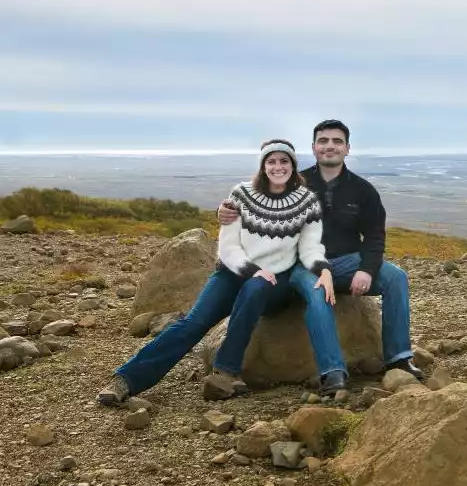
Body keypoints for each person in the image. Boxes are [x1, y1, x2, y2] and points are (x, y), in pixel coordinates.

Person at [98, 138, 342, 406]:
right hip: (233, 272)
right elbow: (228, 246)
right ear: (263, 166)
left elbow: (310, 247)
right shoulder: (241, 194)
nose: (278, 166)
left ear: (293, 166)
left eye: (284, 161)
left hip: (275, 280)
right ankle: (126, 380)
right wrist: (251, 269)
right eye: (271, 161)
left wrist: (323, 269)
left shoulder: (306, 201)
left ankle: (226, 370)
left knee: (256, 287)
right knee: (194, 322)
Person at [218, 120, 422, 385]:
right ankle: (332, 371)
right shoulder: (295, 185)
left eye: (337, 141)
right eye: (323, 141)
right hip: (304, 264)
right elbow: (255, 201)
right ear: (314, 148)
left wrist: (366, 270)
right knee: (318, 291)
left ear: (347, 148)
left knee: (396, 277)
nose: (330, 146)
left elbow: (375, 237)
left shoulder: (363, 190)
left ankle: (398, 359)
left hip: (348, 261)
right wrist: (223, 211)